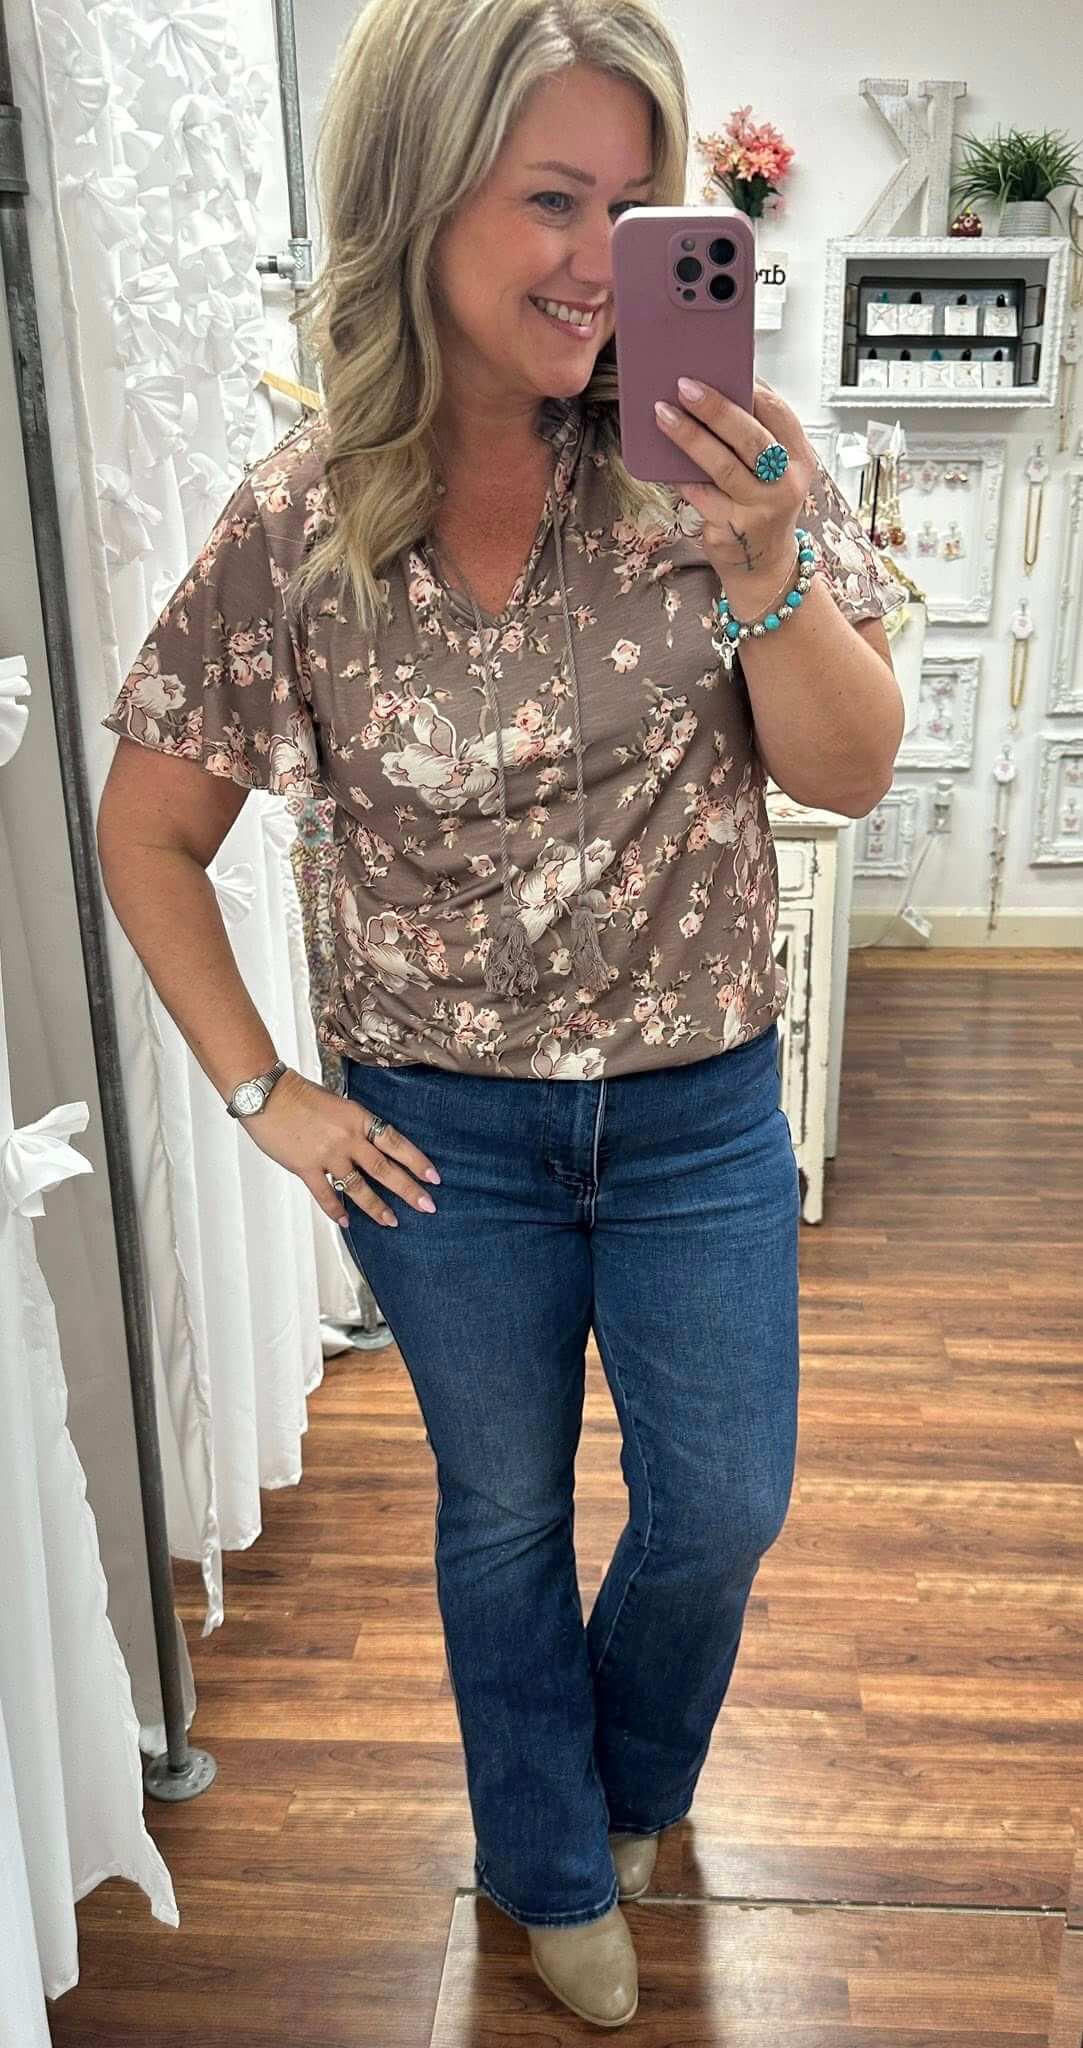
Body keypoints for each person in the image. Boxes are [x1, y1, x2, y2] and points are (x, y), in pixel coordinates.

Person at [96, 0, 907, 2027]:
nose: (593, 256)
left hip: (700, 1105)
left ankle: (628, 1784)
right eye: (550, 199)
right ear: (417, 203)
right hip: (434, 1129)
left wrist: (757, 565)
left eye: (631, 206)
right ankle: (545, 1859)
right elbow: (148, 824)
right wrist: (266, 1088)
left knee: (718, 1503)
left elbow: (849, 768)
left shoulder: (725, 464)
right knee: (500, 1511)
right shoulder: (301, 520)